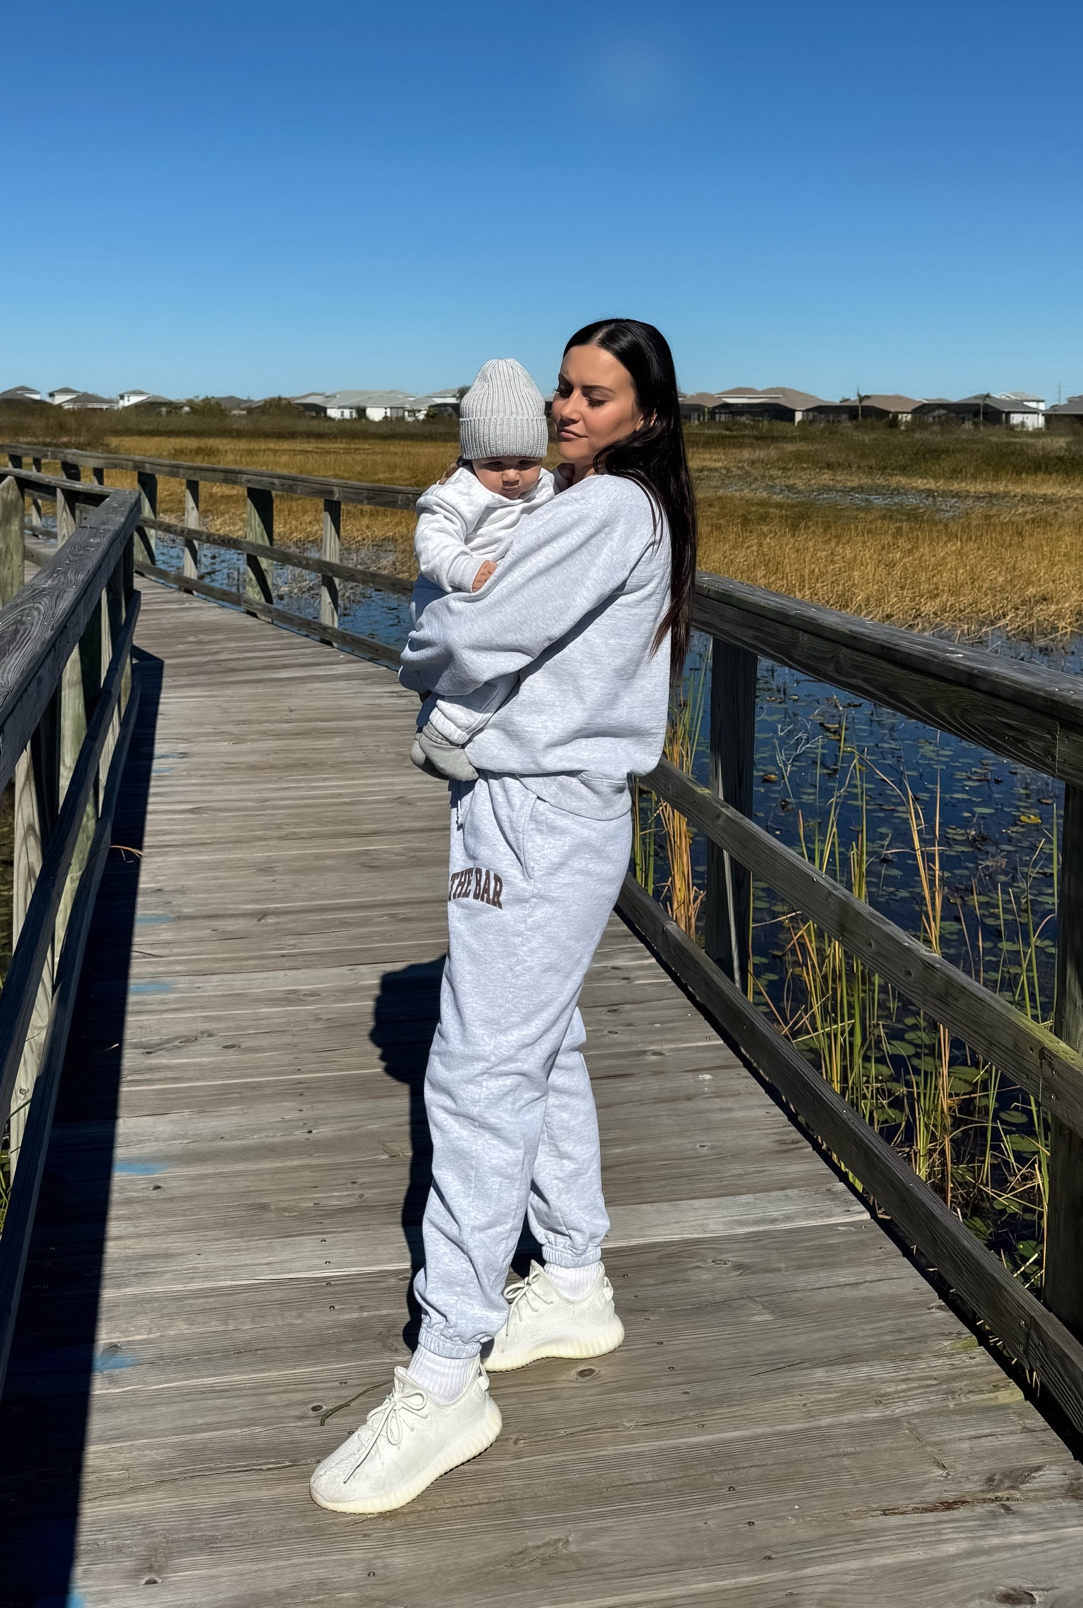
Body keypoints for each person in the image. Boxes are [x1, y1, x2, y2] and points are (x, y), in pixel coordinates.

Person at [310, 318, 697, 1517]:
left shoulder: (604, 510)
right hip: (551, 810)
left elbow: (459, 632)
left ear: (646, 411)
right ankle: (573, 1271)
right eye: (564, 391)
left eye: (594, 395)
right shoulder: (604, 507)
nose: (568, 412)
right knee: (543, 1043)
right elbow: (493, 622)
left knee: (477, 1075)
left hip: (537, 812)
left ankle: (446, 1371)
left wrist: (430, 635)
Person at [409, 357, 556, 783]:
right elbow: (432, 541)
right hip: (448, 595)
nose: (512, 476)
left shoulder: (545, 484)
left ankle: (429, 733)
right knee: (501, 661)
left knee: (505, 659)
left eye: (525, 462)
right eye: (495, 465)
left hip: (491, 598)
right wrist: (466, 570)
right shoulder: (461, 490)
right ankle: (443, 734)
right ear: (472, 458)